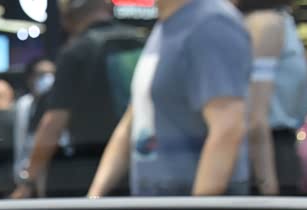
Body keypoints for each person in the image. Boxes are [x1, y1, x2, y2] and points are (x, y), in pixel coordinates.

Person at [89, 0, 252, 197]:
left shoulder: (212, 23)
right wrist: (93, 199)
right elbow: (135, 116)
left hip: (188, 204)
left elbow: (227, 128)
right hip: (160, 202)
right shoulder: (166, 25)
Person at [13, 0, 145, 198]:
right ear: (109, 6)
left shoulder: (76, 52)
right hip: (142, 163)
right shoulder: (142, 43)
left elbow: (53, 124)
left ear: (67, 19)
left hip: (91, 170)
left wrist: (28, 181)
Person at [236, 0, 307, 195]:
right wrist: (267, 184)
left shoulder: (280, 21)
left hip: (279, 147)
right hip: (269, 152)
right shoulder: (266, 24)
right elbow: (255, 115)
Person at [13, 58, 56, 186]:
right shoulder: (23, 104)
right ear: (31, 78)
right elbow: (20, 141)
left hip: (55, 169)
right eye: (42, 74)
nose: (48, 78)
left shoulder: (59, 106)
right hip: (27, 171)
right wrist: (20, 173)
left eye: (52, 74)